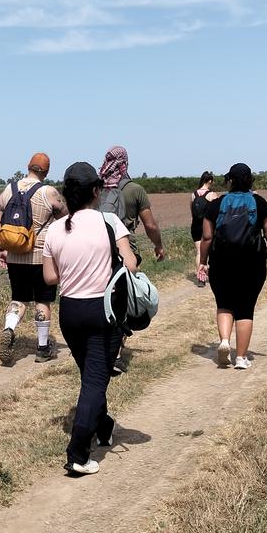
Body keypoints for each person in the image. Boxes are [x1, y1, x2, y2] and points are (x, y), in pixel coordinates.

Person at [43, 161, 137, 475]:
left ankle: (104, 426)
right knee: (96, 380)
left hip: (70, 312)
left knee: (91, 375)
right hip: (102, 311)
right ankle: (78, 454)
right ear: (96, 191)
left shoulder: (55, 230)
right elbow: (131, 265)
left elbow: (50, 277)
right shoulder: (109, 222)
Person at [197, 162, 267, 370]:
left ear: (230, 181)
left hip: (221, 262)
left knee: (224, 304)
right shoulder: (259, 202)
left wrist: (203, 262)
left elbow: (206, 237)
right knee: (245, 308)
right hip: (252, 263)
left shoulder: (216, 204)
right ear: (250, 180)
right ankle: (241, 358)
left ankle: (225, 341)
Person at [98, 145, 166, 375]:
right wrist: (158, 245)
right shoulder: (135, 189)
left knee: (101, 296)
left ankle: (101, 345)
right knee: (122, 298)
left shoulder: (96, 188)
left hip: (97, 250)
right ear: (125, 163)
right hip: (126, 250)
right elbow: (150, 224)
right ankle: (116, 353)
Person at [0, 153, 65, 365]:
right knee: (42, 301)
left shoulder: (9, 189)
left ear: (28, 166)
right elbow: (66, 217)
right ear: (47, 171)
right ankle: (42, 348)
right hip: (41, 257)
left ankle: (9, 328)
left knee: (18, 298)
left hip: (15, 256)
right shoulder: (49, 192)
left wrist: (3, 249)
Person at [190, 171, 219, 281]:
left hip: (195, 226)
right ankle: (211, 274)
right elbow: (217, 213)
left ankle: (200, 278)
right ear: (210, 181)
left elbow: (192, 212)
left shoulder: (193, 195)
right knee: (210, 251)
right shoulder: (212, 195)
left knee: (199, 252)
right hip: (208, 226)